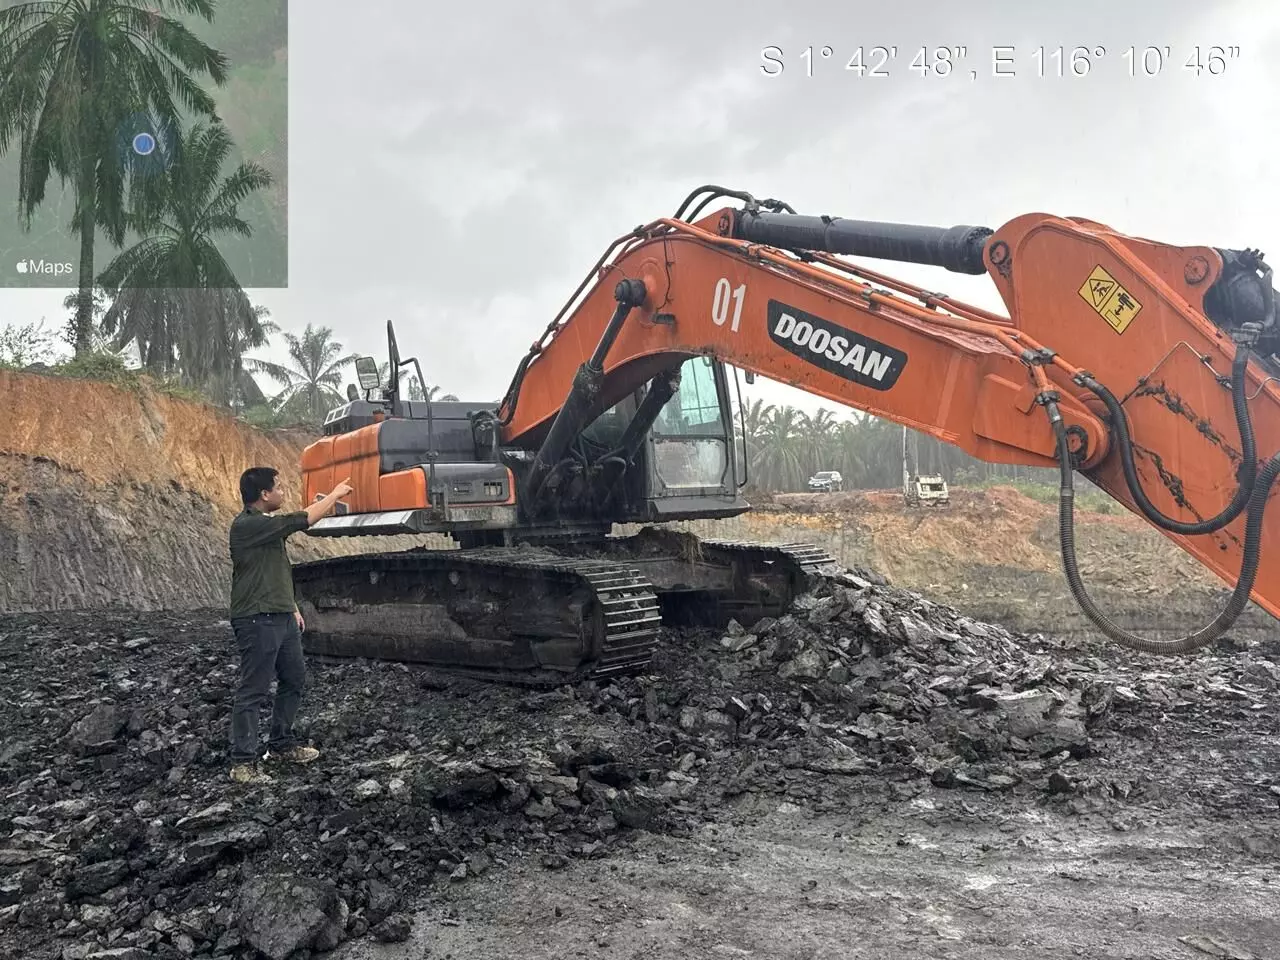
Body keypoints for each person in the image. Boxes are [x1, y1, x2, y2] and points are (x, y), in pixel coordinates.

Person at [226, 466, 353, 784]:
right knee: (253, 689)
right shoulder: (247, 526)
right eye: (278, 487)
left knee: (294, 678)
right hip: (256, 618)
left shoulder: (265, 529)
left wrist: (292, 607)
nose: (283, 492)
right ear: (264, 494)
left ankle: (281, 745)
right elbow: (302, 520)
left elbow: (273, 572)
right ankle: (243, 763)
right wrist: (335, 496)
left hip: (281, 616)